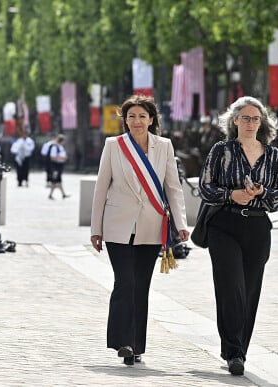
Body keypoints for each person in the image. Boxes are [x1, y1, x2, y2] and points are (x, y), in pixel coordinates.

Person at [90, 95, 189, 366]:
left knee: (141, 285)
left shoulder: (164, 146)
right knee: (125, 281)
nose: (137, 121)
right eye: (131, 116)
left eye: (142, 116)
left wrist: (181, 224)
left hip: (151, 224)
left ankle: (136, 344)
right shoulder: (114, 145)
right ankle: (122, 341)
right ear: (125, 120)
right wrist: (95, 228)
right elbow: (101, 188)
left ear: (152, 119)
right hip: (116, 224)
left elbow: (173, 187)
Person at [198, 96, 278, 376]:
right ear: (234, 120)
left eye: (256, 118)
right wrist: (231, 194)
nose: (251, 123)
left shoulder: (274, 156)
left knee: (249, 292)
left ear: (262, 123)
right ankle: (233, 352)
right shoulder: (221, 151)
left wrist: (262, 194)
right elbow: (205, 187)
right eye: (245, 117)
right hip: (223, 226)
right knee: (231, 289)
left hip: (257, 228)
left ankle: (239, 349)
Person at [47, 134, 70, 200]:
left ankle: (63, 194)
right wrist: (62, 158)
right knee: (55, 180)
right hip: (55, 166)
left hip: (60, 165)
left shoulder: (61, 147)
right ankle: (51, 195)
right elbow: (52, 157)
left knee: (58, 180)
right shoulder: (55, 147)